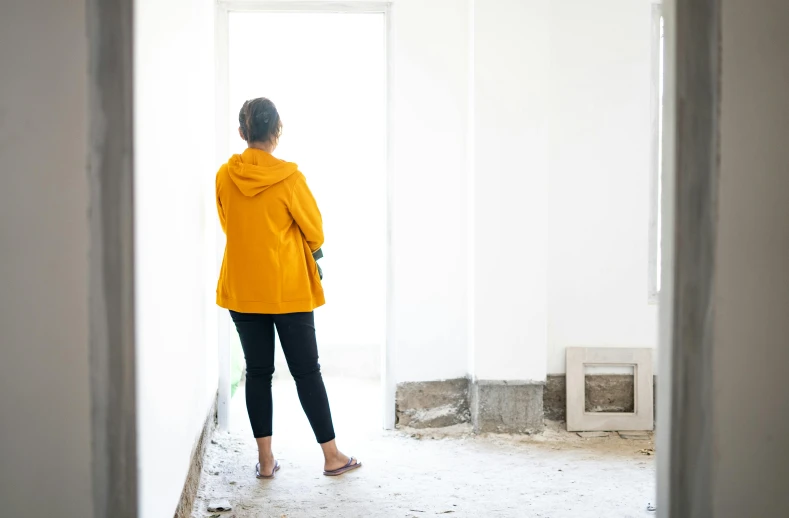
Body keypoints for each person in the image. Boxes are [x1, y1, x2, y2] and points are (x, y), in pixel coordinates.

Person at [215, 97, 361, 479]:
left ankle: (265, 462)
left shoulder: (224, 176)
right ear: (276, 133)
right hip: (287, 289)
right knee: (306, 372)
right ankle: (331, 456)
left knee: (258, 372)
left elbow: (229, 223)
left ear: (243, 133)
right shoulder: (290, 178)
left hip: (243, 287)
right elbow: (314, 230)